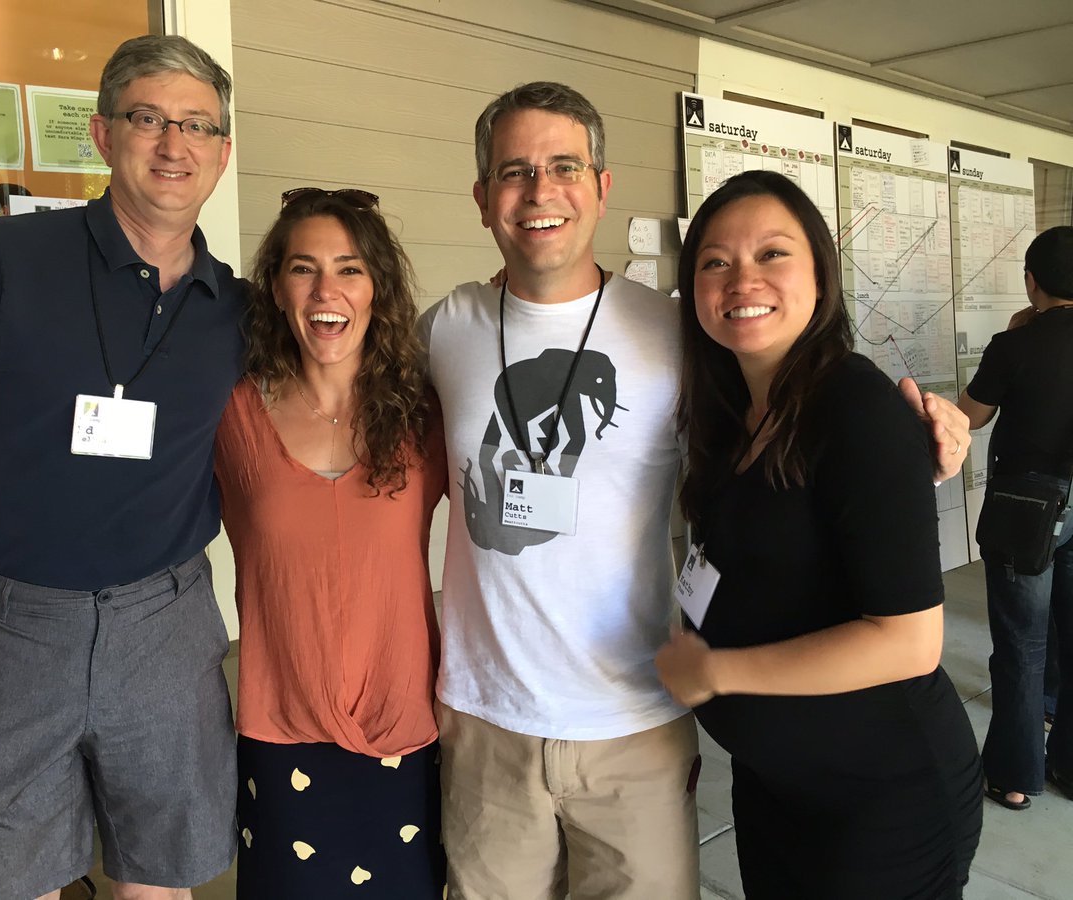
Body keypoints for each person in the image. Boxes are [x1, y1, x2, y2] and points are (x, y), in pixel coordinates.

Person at [416, 81, 972, 899]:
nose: (540, 191)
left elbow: (823, 447)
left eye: (565, 166)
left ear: (602, 187)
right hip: (488, 718)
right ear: (481, 198)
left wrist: (923, 439)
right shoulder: (443, 329)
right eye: (513, 171)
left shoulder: (677, 334)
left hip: (637, 722)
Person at [0, 35, 241, 899]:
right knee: (6, 878)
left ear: (222, 152)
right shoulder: (4, 258)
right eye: (148, 118)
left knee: (160, 877)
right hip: (12, 627)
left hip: (166, 626)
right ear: (103, 134)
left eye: (197, 125)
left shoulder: (234, 308)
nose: (174, 144)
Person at [656, 169, 983, 899]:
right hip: (776, 788)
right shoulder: (729, 410)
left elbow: (909, 642)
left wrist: (717, 673)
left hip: (879, 802)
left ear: (820, 273)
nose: (742, 280)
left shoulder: (859, 409)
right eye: (715, 261)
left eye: (772, 253)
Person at [213, 187, 447, 898]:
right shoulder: (232, 414)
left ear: (379, 289)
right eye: (302, 268)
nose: (326, 290)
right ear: (275, 289)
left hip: (401, 721)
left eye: (350, 269)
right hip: (281, 723)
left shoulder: (426, 413)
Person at [957, 225, 1073, 810]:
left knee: (1022, 645)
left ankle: (1015, 776)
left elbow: (969, 418)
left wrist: (1012, 337)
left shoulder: (1015, 345)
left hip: (1026, 507)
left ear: (1032, 281)